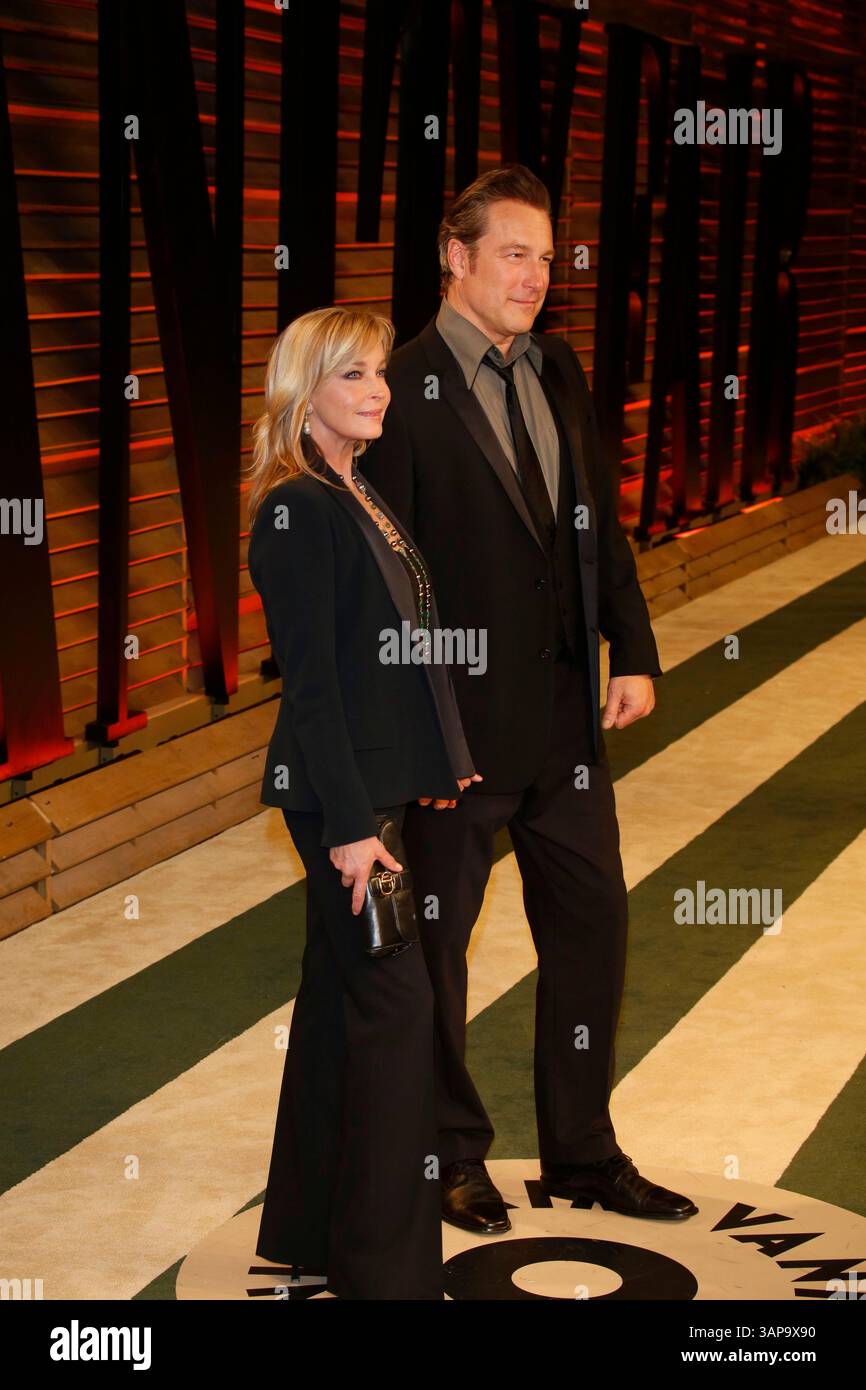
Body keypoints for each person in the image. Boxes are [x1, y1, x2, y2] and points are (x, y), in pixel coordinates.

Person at [361, 164, 698, 1233]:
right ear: (451, 257)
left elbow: (595, 520)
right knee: (438, 951)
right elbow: (389, 582)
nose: (536, 276)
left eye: (546, 258)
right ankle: (451, 1157)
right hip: (454, 735)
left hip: (563, 726)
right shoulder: (396, 389)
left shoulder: (556, 368)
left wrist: (630, 649)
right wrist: (422, 735)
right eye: (513, 253)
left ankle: (583, 1155)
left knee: (593, 928)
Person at [245, 306, 481, 1300]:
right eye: (352, 374)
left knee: (345, 1005)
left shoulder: (356, 490)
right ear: (305, 390)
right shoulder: (297, 507)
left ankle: (309, 1226)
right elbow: (311, 685)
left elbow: (393, 649)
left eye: (381, 371)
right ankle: (385, 1274)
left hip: (379, 782)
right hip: (343, 798)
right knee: (397, 1012)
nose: (377, 389)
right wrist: (348, 827)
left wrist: (442, 756)